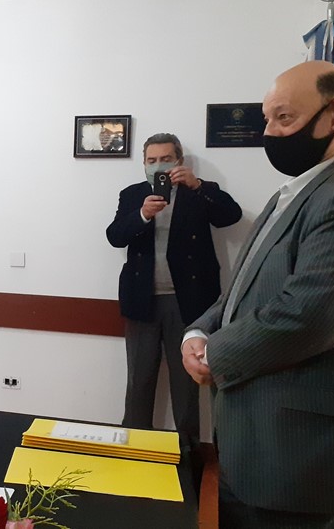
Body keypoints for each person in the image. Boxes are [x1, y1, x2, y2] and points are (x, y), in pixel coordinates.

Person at [182, 61, 334, 528]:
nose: (268, 132)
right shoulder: (291, 193)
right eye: (266, 119)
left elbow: (308, 315)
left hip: (303, 456)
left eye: (284, 118)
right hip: (252, 443)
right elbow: (244, 289)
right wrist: (199, 331)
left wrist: (216, 352)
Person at [106, 133, 241, 442]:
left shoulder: (199, 190)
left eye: (166, 159)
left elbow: (230, 216)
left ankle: (186, 457)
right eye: (151, 160)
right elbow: (115, 236)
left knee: (186, 386)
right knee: (138, 382)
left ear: (179, 161)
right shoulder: (133, 194)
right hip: (142, 301)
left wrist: (198, 185)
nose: (159, 166)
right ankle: (134, 450)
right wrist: (142, 215)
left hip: (189, 303)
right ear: (143, 164)